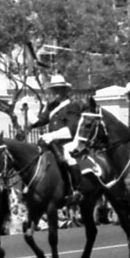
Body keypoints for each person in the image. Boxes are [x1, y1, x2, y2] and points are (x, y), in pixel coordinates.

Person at [31, 73, 83, 204]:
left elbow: (71, 130)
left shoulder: (72, 106)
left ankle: (75, 189)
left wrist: (51, 135)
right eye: (54, 89)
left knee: (68, 158)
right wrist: (25, 110)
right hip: (51, 143)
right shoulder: (51, 106)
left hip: (68, 142)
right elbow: (39, 121)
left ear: (65, 90)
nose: (56, 92)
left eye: (59, 89)